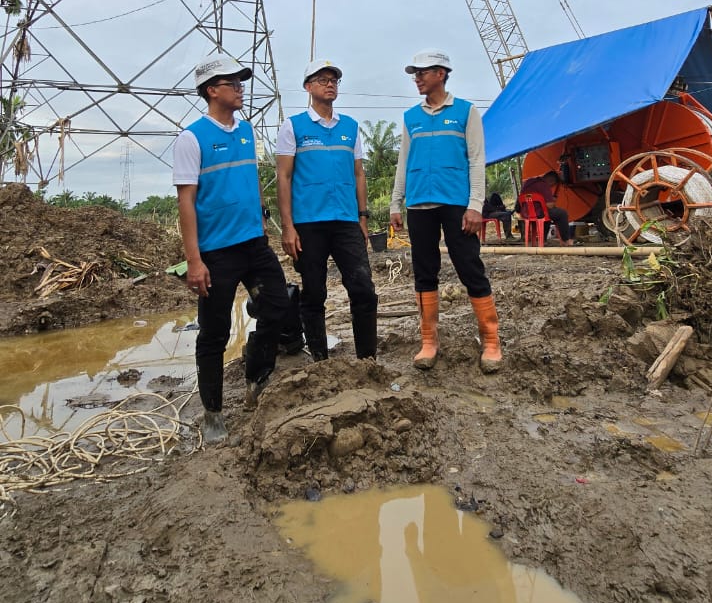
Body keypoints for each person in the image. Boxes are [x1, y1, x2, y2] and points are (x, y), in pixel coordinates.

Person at [173, 53, 290, 443]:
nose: (241, 89)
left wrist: (261, 219)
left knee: (277, 305)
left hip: (254, 243)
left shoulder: (246, 131)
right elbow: (186, 201)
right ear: (211, 90)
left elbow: (250, 181)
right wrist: (194, 260)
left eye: (241, 82)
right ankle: (213, 414)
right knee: (214, 332)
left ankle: (257, 377)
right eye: (233, 83)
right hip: (216, 252)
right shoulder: (192, 138)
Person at [389, 49, 502, 373]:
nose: (417, 78)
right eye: (415, 73)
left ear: (441, 73)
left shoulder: (466, 112)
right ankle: (429, 341)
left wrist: (475, 205)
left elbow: (476, 160)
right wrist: (396, 202)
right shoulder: (411, 117)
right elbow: (404, 162)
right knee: (424, 271)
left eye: (422, 72)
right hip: (419, 205)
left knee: (469, 267)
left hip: (456, 205)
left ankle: (491, 340)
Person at [275, 59, 378, 362]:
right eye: (322, 79)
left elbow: (359, 174)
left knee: (363, 289)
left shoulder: (350, 127)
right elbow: (284, 176)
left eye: (334, 80)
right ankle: (320, 361)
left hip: (346, 221)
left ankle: (367, 359)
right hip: (308, 224)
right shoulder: (293, 126)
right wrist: (288, 226)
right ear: (308, 87)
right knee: (314, 293)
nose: (330, 84)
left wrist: (362, 217)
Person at [519, 170, 575, 245]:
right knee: (562, 213)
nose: (551, 186)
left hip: (525, 213)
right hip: (539, 213)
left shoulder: (528, 182)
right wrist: (553, 201)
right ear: (551, 181)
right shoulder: (544, 185)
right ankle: (566, 240)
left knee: (547, 216)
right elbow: (549, 205)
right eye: (553, 185)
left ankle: (543, 240)